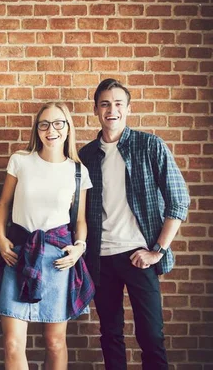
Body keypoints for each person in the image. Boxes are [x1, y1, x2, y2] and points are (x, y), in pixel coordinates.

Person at [79, 79, 190, 370]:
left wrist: (158, 250)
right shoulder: (87, 156)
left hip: (139, 255)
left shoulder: (149, 145)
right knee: (111, 335)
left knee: (151, 335)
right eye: (105, 104)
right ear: (96, 110)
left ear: (128, 108)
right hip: (101, 258)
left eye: (118, 104)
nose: (111, 110)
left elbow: (179, 199)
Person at [0, 102, 95, 370]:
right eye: (44, 124)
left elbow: (79, 220)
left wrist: (79, 246)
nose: (51, 129)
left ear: (68, 128)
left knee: (55, 342)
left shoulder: (78, 171)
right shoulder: (20, 160)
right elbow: (3, 205)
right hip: (19, 254)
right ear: (37, 129)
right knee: (12, 343)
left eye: (58, 123)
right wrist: (0, 238)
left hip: (58, 260)